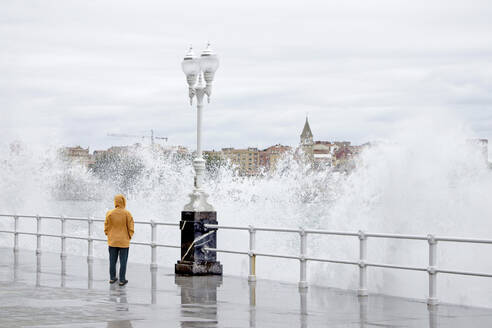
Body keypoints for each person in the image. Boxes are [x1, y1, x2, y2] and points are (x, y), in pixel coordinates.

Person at [104, 194, 134, 286]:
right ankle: (122, 279)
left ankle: (112, 278)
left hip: (112, 241)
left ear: (115, 202)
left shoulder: (110, 213)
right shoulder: (127, 213)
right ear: (124, 201)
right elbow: (131, 227)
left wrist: (108, 235)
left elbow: (106, 226)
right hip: (124, 242)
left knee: (112, 261)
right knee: (123, 261)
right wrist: (129, 236)